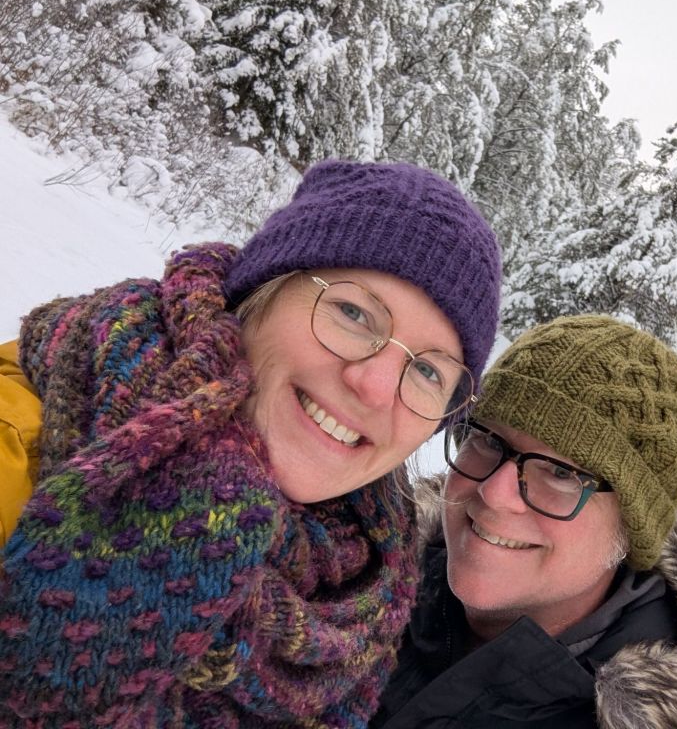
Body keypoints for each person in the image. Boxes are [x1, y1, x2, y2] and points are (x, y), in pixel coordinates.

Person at [0, 159, 502, 727]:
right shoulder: (19, 449)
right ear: (260, 294)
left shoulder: (366, 592)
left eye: (429, 372)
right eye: (354, 312)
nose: (376, 386)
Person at [371, 315, 677, 729]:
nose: (495, 493)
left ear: (632, 528)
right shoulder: (353, 586)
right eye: (488, 440)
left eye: (561, 473)